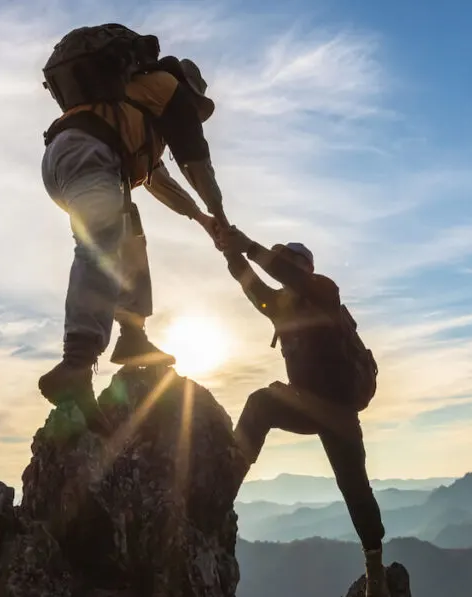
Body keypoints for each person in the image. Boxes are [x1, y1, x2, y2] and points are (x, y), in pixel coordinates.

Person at [38, 24, 230, 431]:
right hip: (86, 154)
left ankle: (132, 337)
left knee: (131, 239)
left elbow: (160, 182)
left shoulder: (136, 111)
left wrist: (201, 219)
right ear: (191, 94)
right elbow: (196, 163)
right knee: (102, 245)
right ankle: (76, 364)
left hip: (71, 160)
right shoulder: (167, 92)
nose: (196, 119)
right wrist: (223, 218)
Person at [219, 227, 389, 597]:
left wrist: (248, 246)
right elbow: (250, 283)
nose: (283, 270)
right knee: (260, 403)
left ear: (306, 269)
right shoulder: (280, 307)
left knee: (355, 489)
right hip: (305, 404)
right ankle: (224, 484)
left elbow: (282, 274)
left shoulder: (324, 293)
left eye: (289, 263)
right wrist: (230, 252)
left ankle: (375, 571)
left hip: (339, 413)